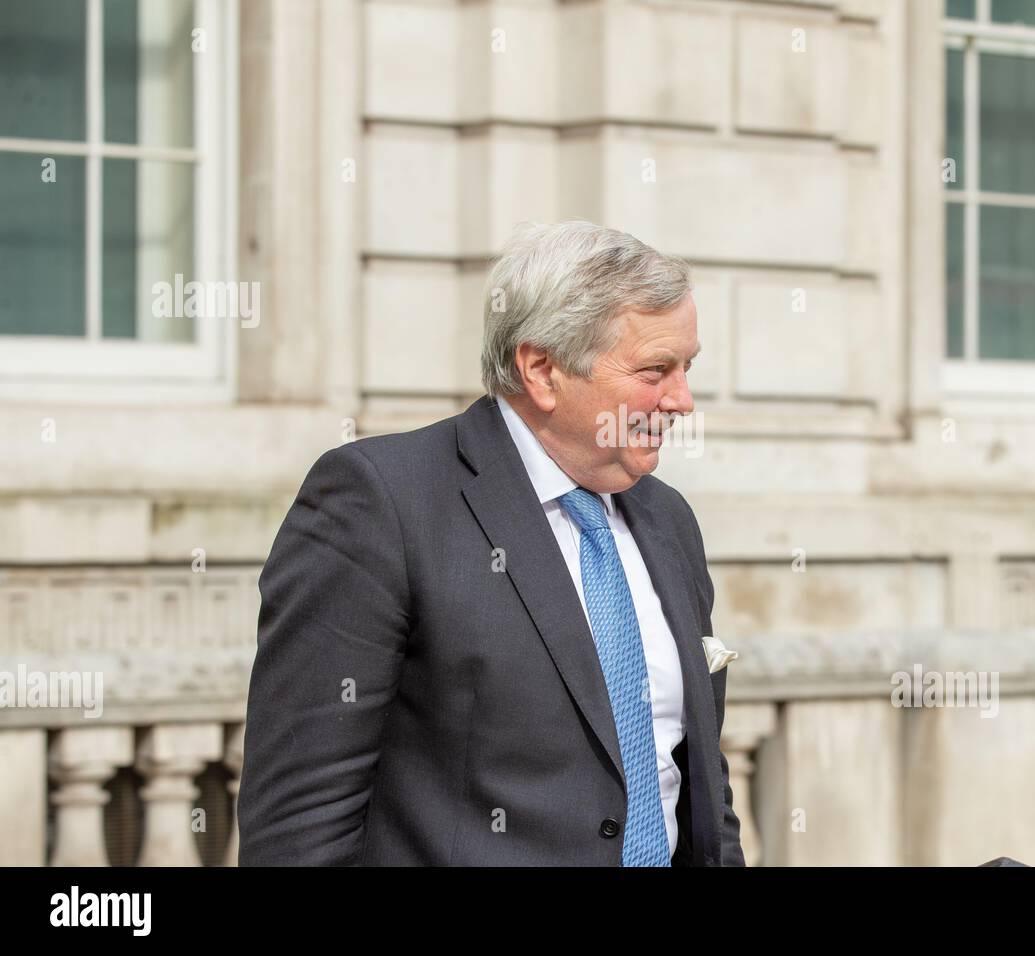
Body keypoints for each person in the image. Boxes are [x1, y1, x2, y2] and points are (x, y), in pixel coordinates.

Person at [238, 220, 744, 866]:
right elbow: (298, 827)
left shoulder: (667, 519)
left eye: (687, 367)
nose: (682, 401)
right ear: (541, 370)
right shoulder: (381, 504)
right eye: (655, 370)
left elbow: (698, 782)